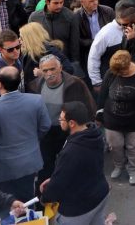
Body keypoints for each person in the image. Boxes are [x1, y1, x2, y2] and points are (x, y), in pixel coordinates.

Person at [0, 65, 51, 200]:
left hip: (4, 167)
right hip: (29, 162)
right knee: (28, 200)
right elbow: (45, 126)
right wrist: (32, 140)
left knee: (7, 203)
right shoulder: (36, 100)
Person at [27, 54, 96, 182]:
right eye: (45, 70)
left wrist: (85, 131)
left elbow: (89, 108)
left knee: (70, 164)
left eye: (52, 69)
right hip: (46, 132)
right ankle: (46, 191)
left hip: (68, 131)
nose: (49, 73)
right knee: (46, 166)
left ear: (60, 68)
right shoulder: (35, 85)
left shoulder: (75, 84)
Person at [39, 101, 110, 225]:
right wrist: (54, 179)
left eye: (61, 119)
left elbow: (59, 183)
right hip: (100, 194)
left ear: (72, 123)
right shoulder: (95, 135)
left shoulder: (72, 151)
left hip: (79, 207)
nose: (59, 121)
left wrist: (45, 196)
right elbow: (80, 169)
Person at [98, 49, 135, 186]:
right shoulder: (111, 73)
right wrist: (99, 113)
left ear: (129, 64)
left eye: (122, 71)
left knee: (134, 146)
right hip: (112, 118)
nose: (120, 74)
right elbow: (103, 94)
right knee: (114, 145)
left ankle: (133, 170)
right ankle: (118, 165)